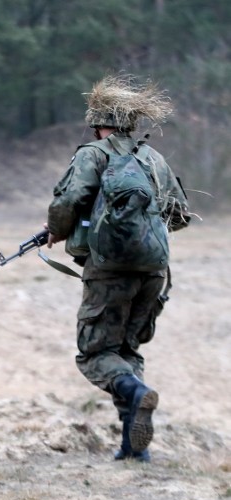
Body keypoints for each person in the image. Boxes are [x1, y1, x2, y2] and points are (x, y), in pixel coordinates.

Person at [45, 75, 191, 462]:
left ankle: (135, 395)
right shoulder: (154, 159)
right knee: (127, 349)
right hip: (154, 271)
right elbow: (179, 216)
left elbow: (69, 200)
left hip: (108, 269)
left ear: (98, 122)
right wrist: (146, 237)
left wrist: (57, 232)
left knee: (95, 353)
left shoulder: (92, 154)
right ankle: (133, 447)